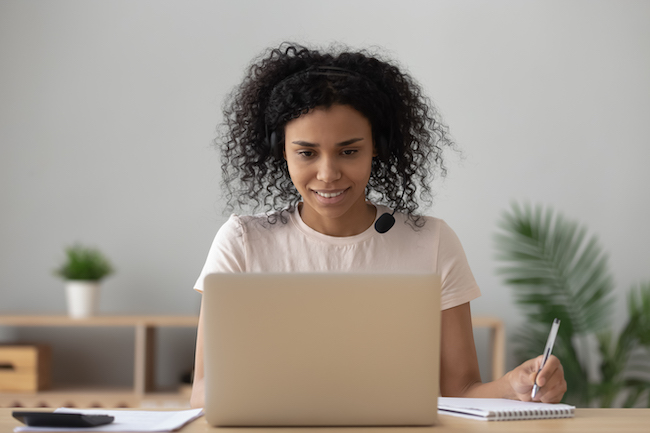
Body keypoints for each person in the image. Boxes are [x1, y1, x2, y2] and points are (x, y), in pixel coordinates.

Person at [190, 43, 566, 408]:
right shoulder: (242, 242)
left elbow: (460, 390)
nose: (327, 173)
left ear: (378, 147)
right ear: (280, 151)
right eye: (306, 153)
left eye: (349, 151)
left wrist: (512, 386)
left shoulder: (432, 242)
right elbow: (203, 391)